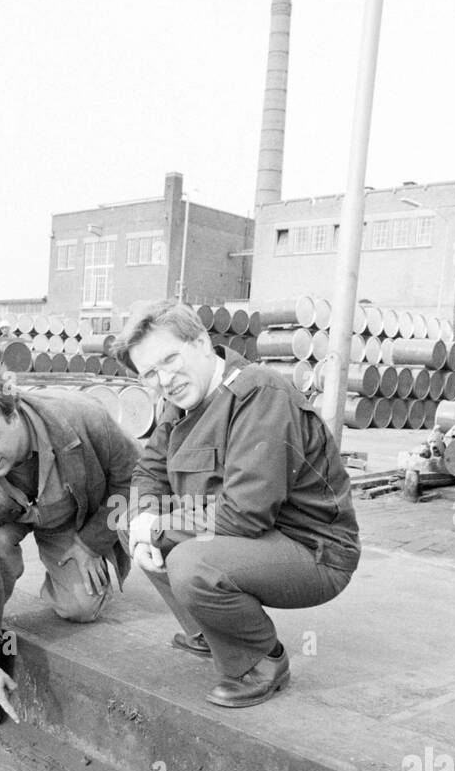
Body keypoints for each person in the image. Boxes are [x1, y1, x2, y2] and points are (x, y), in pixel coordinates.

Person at [115, 300, 360, 708]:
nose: (165, 379)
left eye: (170, 359)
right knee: (132, 519)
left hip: (313, 551)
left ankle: (261, 661)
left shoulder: (259, 393)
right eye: (151, 374)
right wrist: (141, 520)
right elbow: (149, 474)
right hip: (254, 538)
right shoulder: (179, 404)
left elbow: (244, 512)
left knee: (192, 563)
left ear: (200, 342)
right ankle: (207, 631)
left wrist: (155, 529)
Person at [0, 365, 139, 728]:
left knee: (81, 605)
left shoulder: (82, 415)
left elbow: (133, 479)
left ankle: (58, 571)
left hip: (68, 514)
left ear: (14, 412)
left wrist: (93, 541)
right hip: (0, 522)